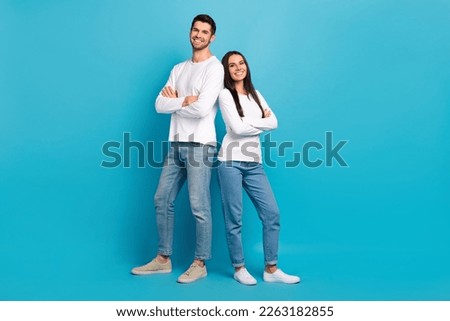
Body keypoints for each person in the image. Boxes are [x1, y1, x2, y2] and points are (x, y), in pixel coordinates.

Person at [131, 14, 224, 283]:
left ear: (212, 37)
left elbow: (203, 108)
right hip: (176, 144)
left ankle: (200, 262)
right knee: (161, 199)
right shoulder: (178, 69)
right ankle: (163, 259)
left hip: (200, 145)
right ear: (190, 32)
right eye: (195, 30)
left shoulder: (214, 68)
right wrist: (186, 99)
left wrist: (177, 101)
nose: (199, 35)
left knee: (199, 205)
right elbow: (159, 104)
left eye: (204, 32)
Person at [217, 51, 300, 285]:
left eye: (241, 63)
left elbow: (274, 122)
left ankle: (271, 270)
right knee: (234, 217)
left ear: (247, 66)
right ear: (227, 70)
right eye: (232, 65)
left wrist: (246, 124)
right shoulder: (225, 95)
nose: (238, 68)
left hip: (254, 163)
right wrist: (258, 124)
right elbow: (236, 129)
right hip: (230, 162)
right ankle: (239, 267)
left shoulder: (256, 94)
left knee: (272, 214)